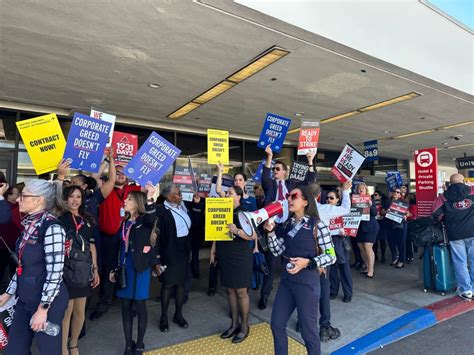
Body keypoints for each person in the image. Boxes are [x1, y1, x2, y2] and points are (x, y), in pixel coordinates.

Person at [264, 186, 336, 355]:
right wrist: (271, 232)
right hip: (287, 283)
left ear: (305, 201)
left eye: (294, 196)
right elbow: (276, 250)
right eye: (289, 196)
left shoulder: (318, 226)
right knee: (276, 325)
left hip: (307, 285)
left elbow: (331, 256)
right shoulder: (288, 224)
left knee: (308, 332)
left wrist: (309, 262)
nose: (289, 199)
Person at [0, 180, 69, 355]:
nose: (18, 200)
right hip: (25, 297)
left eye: (24, 196)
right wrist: (8, 293)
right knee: (14, 350)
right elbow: (22, 265)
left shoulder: (52, 227)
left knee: (48, 350)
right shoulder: (30, 224)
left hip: (47, 301)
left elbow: (55, 273)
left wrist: (43, 309)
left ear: (40, 200)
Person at [259, 145, 316, 310]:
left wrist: (310, 161)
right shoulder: (270, 185)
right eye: (273, 169)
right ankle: (264, 295)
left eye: (277, 169)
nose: (274, 171)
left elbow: (309, 181)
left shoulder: (292, 186)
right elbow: (264, 178)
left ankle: (295, 297)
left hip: (289, 226)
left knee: (292, 261)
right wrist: (269, 157)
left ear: (285, 171)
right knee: (271, 264)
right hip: (273, 226)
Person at [110, 184, 158, 355]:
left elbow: (152, 219)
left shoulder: (143, 221)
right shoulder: (124, 222)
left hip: (140, 269)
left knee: (139, 305)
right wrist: (114, 268)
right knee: (125, 306)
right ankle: (128, 344)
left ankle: (139, 343)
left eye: (129, 199)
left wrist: (150, 197)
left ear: (137, 203)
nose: (125, 201)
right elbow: (119, 247)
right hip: (124, 267)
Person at [90, 164, 140, 320]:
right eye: (117, 173)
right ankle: (104, 303)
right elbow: (94, 176)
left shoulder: (134, 190)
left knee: (128, 268)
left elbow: (147, 184)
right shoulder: (105, 188)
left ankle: (126, 302)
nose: (120, 175)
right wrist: (107, 161)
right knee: (108, 270)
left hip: (129, 236)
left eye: (123, 173)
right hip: (108, 237)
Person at [210, 184, 256, 343]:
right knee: (230, 290)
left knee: (241, 292)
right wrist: (213, 250)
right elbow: (215, 231)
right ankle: (233, 324)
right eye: (227, 193)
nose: (227, 195)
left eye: (230, 193)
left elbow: (252, 235)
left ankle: (244, 327)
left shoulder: (245, 213)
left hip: (240, 255)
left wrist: (236, 230)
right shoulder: (222, 210)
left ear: (239, 196)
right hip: (225, 253)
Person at [59, 185, 100, 355]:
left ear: (82, 200)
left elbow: (92, 246)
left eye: (78, 197)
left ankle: (73, 343)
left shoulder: (87, 220)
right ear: (65, 199)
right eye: (71, 196)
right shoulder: (60, 218)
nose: (75, 200)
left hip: (83, 271)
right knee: (66, 312)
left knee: (79, 311)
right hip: (66, 270)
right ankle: (62, 349)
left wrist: (95, 269)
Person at [309, 181, 351, 341]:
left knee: (307, 289)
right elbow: (346, 209)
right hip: (324, 252)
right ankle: (325, 326)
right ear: (319, 196)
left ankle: (302, 321)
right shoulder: (325, 209)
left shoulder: (301, 211)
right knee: (324, 289)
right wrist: (346, 191)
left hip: (307, 254)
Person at [156, 184, 193, 332]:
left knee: (181, 285)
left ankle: (178, 314)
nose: (180, 196)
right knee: (168, 285)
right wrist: (157, 259)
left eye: (180, 193)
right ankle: (163, 317)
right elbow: (157, 237)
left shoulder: (182, 206)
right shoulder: (161, 211)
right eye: (177, 194)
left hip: (183, 251)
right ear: (168, 196)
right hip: (169, 253)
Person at [432, 173, 474, 300]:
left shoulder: (443, 196)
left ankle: (466, 290)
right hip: (472, 231)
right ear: (463, 181)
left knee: (460, 262)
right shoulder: (472, 192)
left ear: (450, 183)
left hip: (455, 234)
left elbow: (435, 214)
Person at [327, 190, 353, 303]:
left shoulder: (342, 210)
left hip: (340, 242)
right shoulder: (324, 210)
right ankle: (333, 290)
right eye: (327, 197)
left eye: (331, 198)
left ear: (338, 200)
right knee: (332, 267)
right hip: (328, 242)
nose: (328, 200)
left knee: (344, 268)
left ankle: (348, 293)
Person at [355, 183, 379, 279]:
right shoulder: (354, 200)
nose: (360, 191)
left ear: (366, 191)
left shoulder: (370, 199)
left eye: (362, 189)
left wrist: (370, 205)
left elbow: (374, 213)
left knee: (368, 246)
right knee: (361, 247)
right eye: (358, 189)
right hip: (359, 227)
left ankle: (371, 270)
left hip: (370, 227)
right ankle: (367, 266)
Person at [0, 185, 22, 289]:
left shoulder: (21, 208)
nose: (19, 196)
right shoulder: (5, 207)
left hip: (16, 245)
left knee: (16, 272)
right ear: (9, 195)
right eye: (16, 193)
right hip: (3, 245)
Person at [385, 188, 407, 268]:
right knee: (391, 242)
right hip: (389, 224)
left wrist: (405, 215)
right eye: (394, 191)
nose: (395, 193)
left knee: (401, 243)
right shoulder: (388, 201)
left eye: (398, 192)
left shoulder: (404, 202)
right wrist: (385, 211)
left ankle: (401, 260)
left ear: (400, 194)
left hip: (400, 225)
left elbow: (408, 213)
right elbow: (382, 211)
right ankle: (394, 258)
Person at [373, 190, 389, 264]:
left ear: (380, 196)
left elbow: (387, 212)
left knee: (382, 240)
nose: (374, 196)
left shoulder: (384, 202)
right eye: (373, 195)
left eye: (376, 195)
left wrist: (383, 215)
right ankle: (375, 256)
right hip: (374, 222)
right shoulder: (371, 202)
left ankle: (383, 256)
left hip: (382, 223)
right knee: (374, 241)